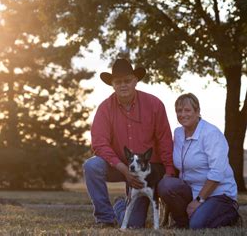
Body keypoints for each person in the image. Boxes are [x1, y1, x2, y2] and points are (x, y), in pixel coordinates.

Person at [83, 58, 175, 228]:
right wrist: (124, 169)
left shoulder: (154, 105)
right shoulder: (105, 108)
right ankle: (105, 217)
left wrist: (169, 170)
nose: (123, 85)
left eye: (127, 80)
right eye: (118, 82)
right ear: (112, 84)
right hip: (119, 165)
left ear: (135, 81)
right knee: (92, 166)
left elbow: (165, 140)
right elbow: (99, 144)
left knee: (133, 224)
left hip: (148, 170)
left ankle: (121, 205)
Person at [158, 93, 239, 229]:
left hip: (218, 193)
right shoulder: (178, 133)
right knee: (166, 185)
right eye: (179, 111)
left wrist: (199, 200)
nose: (183, 114)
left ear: (197, 111)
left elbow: (217, 172)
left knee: (197, 225)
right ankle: (182, 222)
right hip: (190, 190)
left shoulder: (211, 134)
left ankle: (230, 214)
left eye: (187, 110)